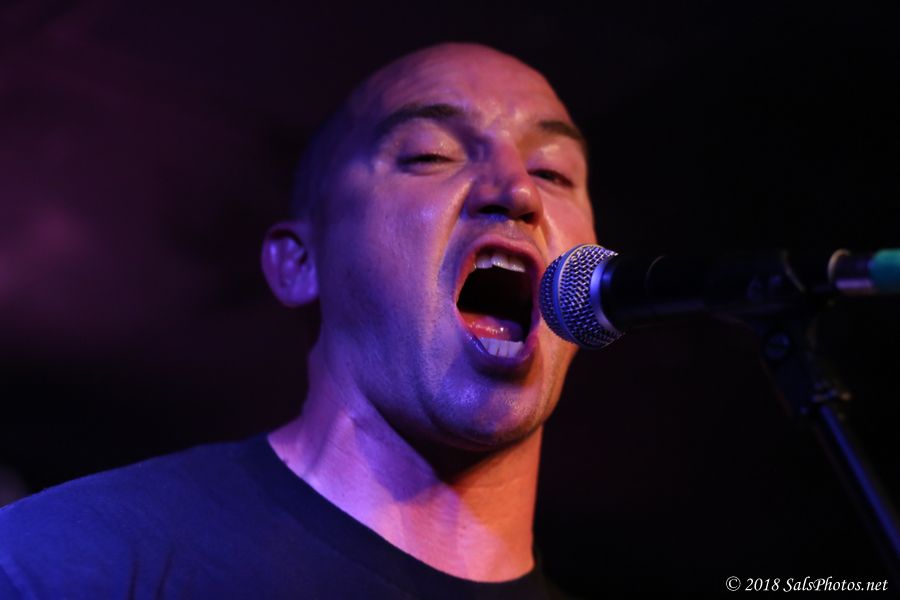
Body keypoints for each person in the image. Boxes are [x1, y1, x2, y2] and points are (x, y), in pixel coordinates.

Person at [0, 42, 598, 598]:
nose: (518, 192)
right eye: (429, 155)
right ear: (301, 262)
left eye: (552, 173)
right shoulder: (67, 561)